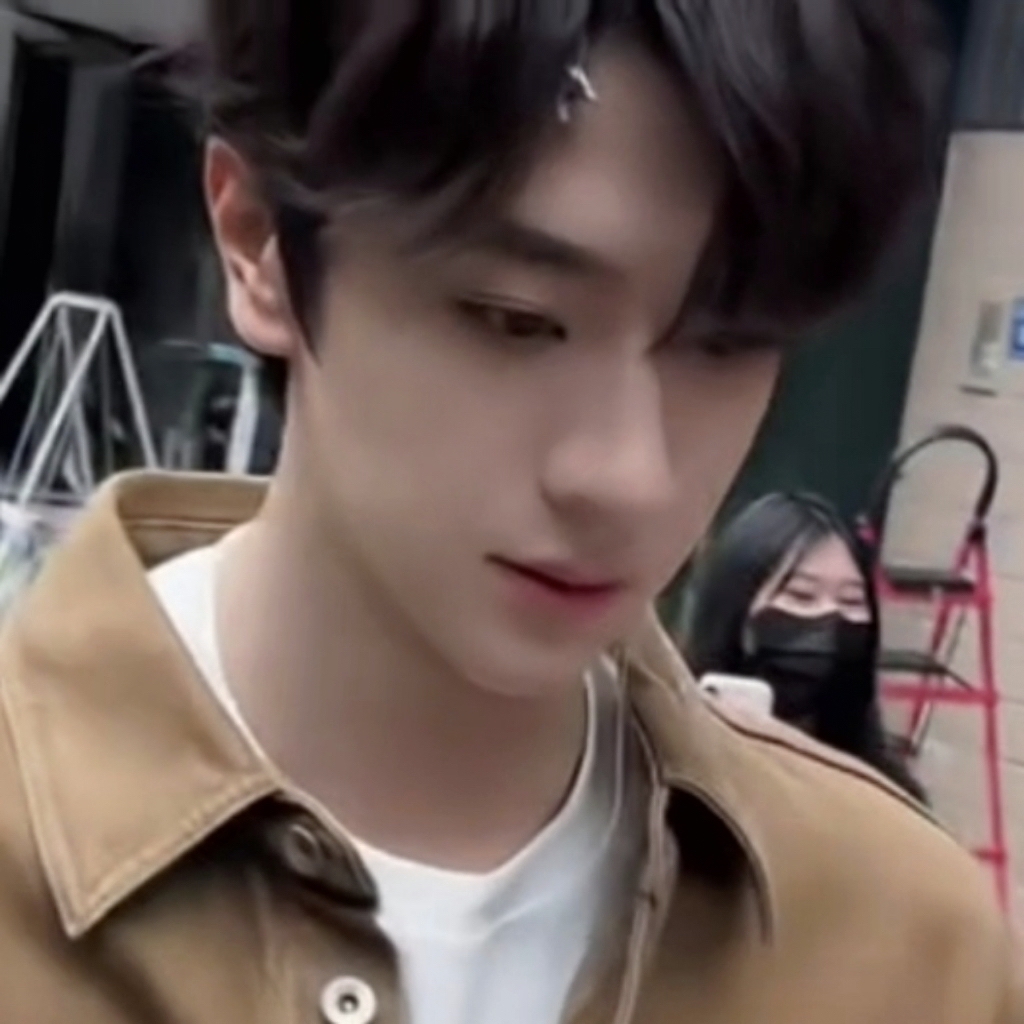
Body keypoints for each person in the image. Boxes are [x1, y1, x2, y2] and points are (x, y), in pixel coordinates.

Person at [0, 2, 1017, 1023]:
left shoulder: (903, 946)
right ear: (257, 240)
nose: (628, 475)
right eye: (515, 320)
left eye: (725, 343)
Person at [686, 492, 927, 800]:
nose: (831, 617)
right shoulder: (665, 755)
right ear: (737, 612)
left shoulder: (887, 793)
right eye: (801, 595)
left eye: (852, 601)